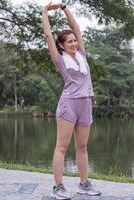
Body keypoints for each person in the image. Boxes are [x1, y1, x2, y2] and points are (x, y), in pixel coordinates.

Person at [42, 2, 101, 199]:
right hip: (69, 104)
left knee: (83, 147)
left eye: (75, 41)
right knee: (62, 147)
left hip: (86, 103)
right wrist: (45, 12)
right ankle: (58, 187)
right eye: (69, 42)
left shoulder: (82, 55)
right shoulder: (59, 59)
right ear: (61, 45)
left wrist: (64, 7)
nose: (74, 43)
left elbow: (76, 28)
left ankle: (84, 184)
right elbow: (48, 35)